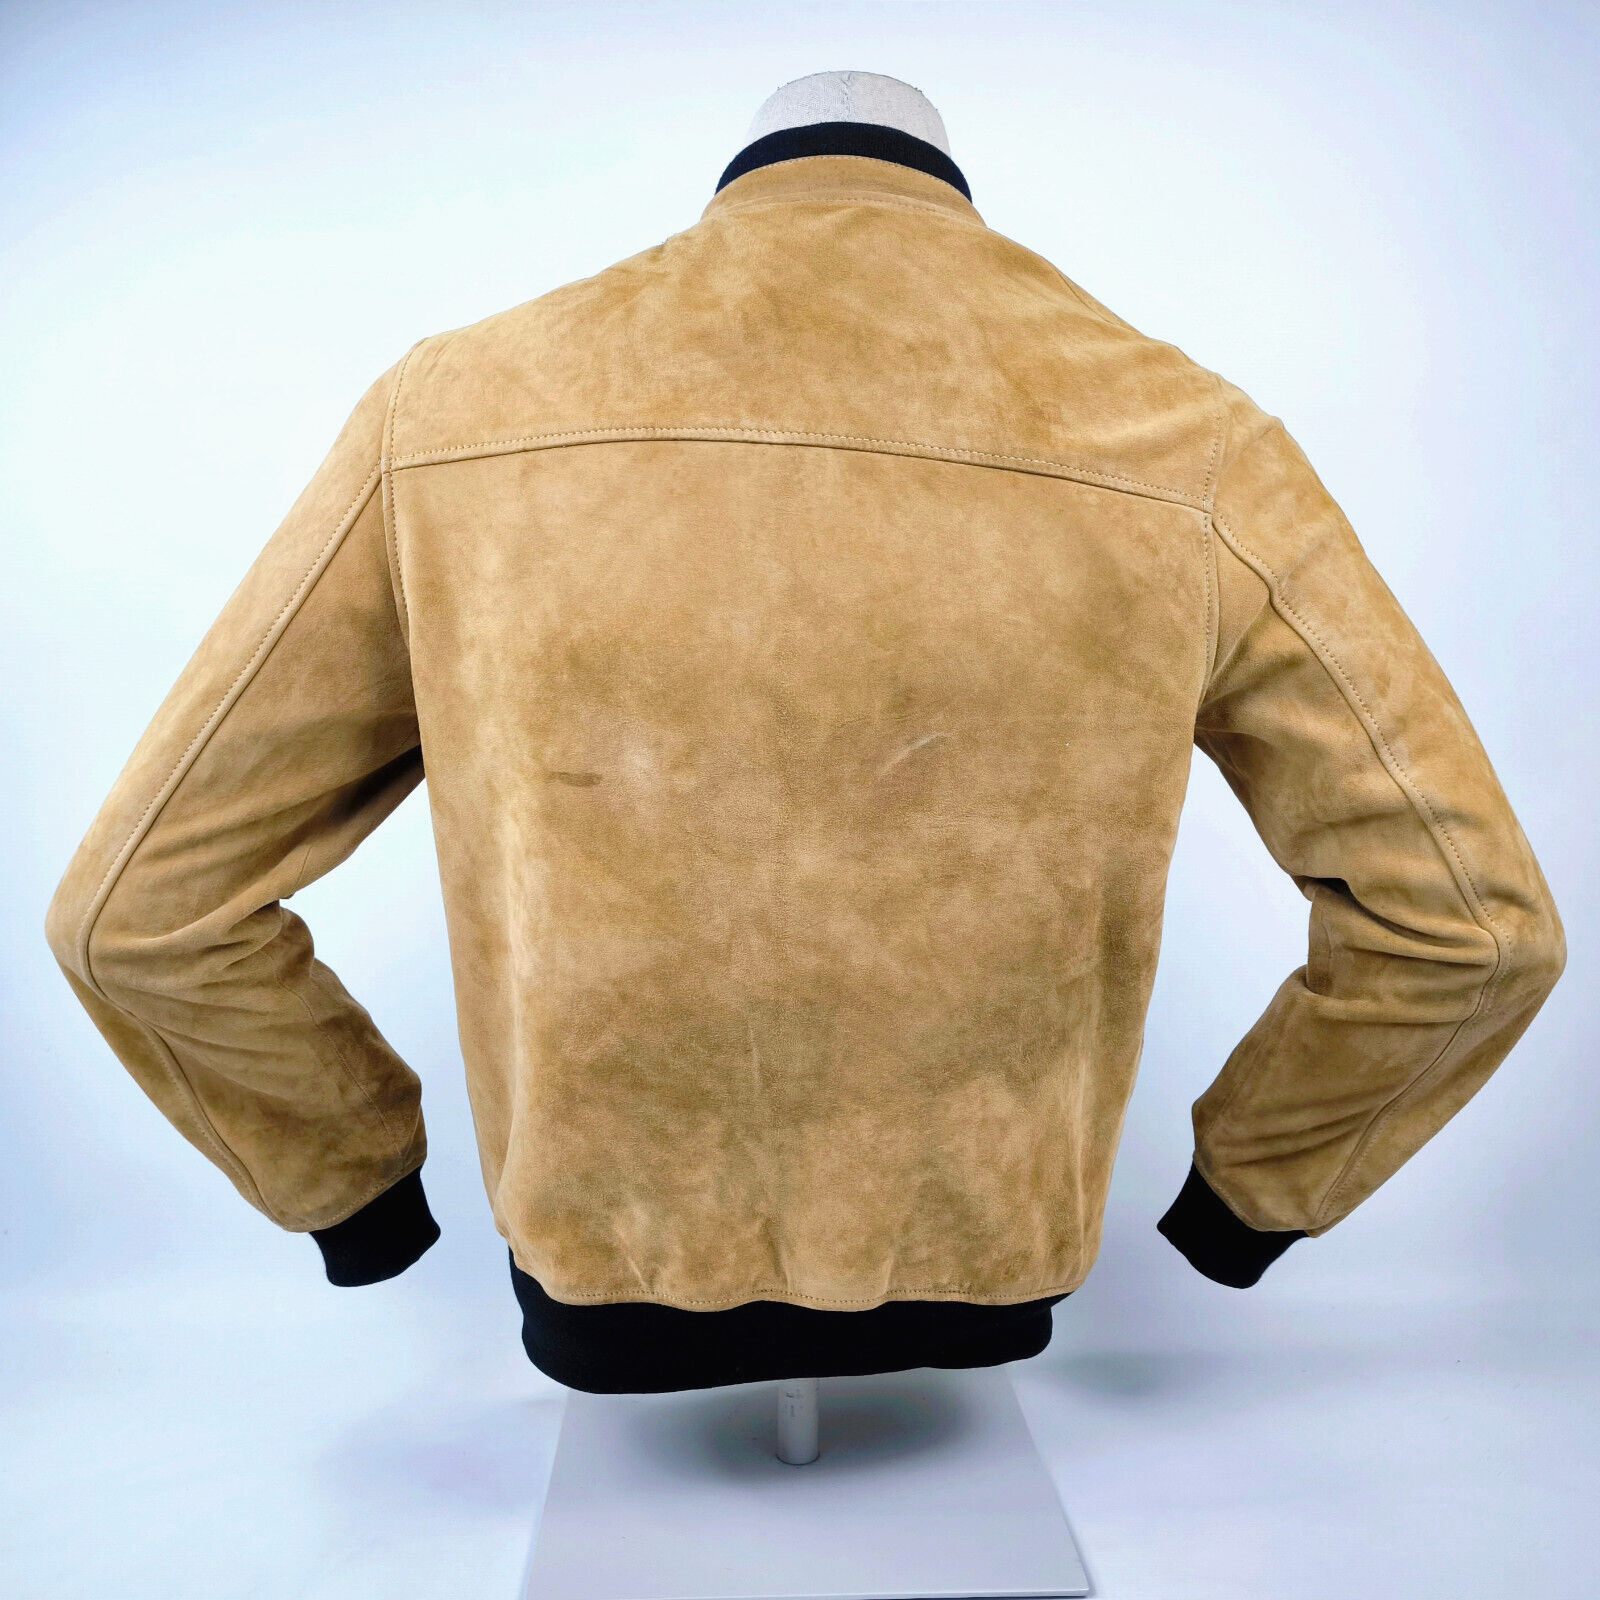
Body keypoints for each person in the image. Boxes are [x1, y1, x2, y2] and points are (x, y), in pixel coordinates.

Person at [44, 72, 1565, 1394]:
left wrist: (358, 1187)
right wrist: (1245, 1199)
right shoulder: (1190, 442)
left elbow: (134, 913)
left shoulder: (452, 412)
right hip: (985, 1271)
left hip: (599, 1284)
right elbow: (1475, 931)